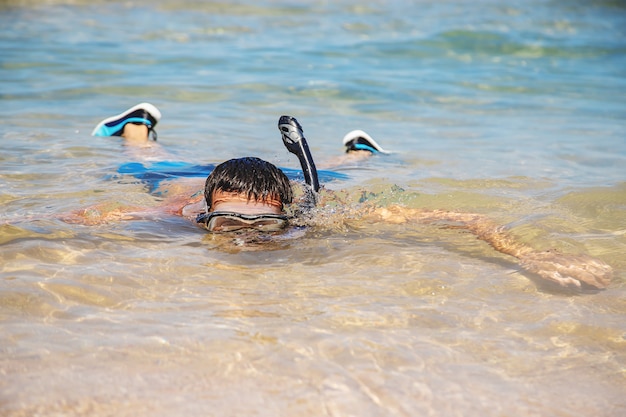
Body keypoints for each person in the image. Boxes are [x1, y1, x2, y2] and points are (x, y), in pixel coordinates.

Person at [78, 104, 612, 290]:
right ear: (205, 215)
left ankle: (357, 151)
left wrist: (530, 254)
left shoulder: (319, 214)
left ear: (287, 215)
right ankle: (138, 123)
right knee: (147, 160)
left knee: (331, 176)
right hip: (182, 181)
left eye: (262, 228)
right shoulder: (177, 211)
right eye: (227, 226)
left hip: (299, 184)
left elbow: (460, 215)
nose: (243, 240)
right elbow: (77, 220)